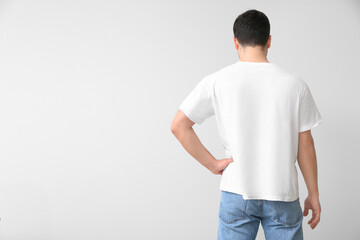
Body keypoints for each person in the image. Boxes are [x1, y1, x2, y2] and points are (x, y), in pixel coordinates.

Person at [170, 9, 322, 240]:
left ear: (235, 42)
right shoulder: (295, 85)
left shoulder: (217, 81)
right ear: (269, 40)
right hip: (283, 192)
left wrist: (212, 164)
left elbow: (179, 125)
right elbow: (305, 145)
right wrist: (314, 193)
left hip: (236, 191)